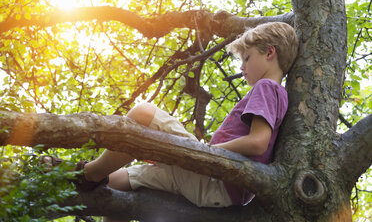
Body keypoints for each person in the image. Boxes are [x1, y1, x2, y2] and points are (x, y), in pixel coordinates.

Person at [40, 21, 298, 221]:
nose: (242, 67)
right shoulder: (276, 93)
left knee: (143, 112)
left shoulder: (267, 87)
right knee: (119, 183)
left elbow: (258, 142)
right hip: (216, 189)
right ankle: (90, 174)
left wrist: (207, 151)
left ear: (270, 53)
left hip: (214, 177)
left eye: (247, 57)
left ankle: (88, 172)